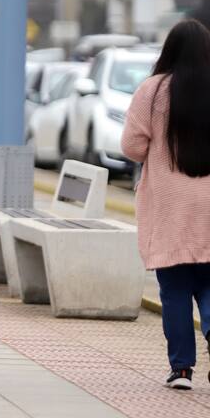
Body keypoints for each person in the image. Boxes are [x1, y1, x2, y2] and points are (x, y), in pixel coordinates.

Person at [121, 19, 210, 391]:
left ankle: (182, 370)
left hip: (169, 207)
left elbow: (132, 147)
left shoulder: (152, 91)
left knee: (174, 291)